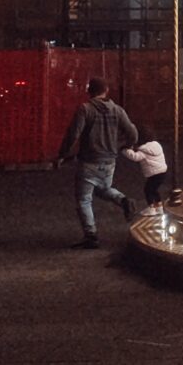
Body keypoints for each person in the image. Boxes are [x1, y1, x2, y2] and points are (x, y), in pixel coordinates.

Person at [57, 78, 138, 248]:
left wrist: (62, 154)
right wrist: (124, 145)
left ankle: (91, 236)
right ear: (106, 90)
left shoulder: (85, 109)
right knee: (103, 189)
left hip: (89, 161)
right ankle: (123, 200)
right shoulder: (117, 110)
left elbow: (73, 134)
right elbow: (132, 133)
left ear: (89, 91)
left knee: (84, 199)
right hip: (109, 161)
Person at [122, 135, 169, 214]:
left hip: (154, 173)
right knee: (154, 190)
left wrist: (125, 150)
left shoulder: (143, 150)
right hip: (163, 171)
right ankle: (159, 207)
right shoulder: (156, 145)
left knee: (148, 190)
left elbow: (134, 157)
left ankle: (151, 208)